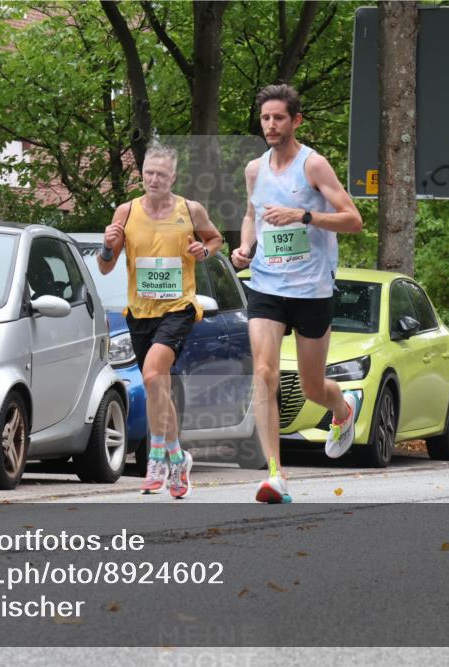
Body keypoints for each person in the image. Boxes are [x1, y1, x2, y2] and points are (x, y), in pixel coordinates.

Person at [231, 84, 364, 504]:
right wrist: (246, 247)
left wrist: (303, 214)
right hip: (267, 284)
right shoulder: (255, 169)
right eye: (266, 118)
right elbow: (251, 214)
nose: (271, 125)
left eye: (279, 118)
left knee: (311, 387)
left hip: (311, 289)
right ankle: (275, 475)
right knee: (265, 373)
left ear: (296, 121)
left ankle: (342, 410)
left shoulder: (314, 166)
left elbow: (353, 219)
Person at [98, 142, 223, 499]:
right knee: (158, 386)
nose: (154, 179)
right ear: (142, 175)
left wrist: (205, 250)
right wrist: (108, 247)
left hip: (178, 307)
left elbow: (215, 240)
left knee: (153, 373)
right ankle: (176, 455)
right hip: (139, 311)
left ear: (173, 177)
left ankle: (155, 456)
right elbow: (106, 266)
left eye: (161, 174)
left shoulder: (190, 209)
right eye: (149, 173)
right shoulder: (126, 211)